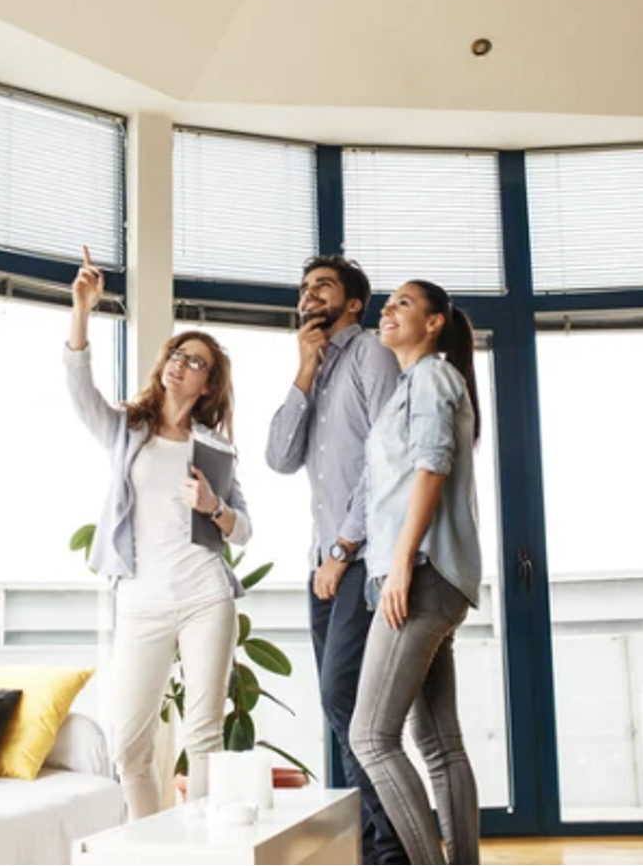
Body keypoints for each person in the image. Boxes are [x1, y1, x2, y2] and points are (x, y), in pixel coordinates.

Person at [65, 246, 252, 820]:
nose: (180, 362)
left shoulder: (215, 447)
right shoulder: (128, 428)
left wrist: (213, 504)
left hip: (204, 597)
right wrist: (82, 311)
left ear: (208, 383)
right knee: (129, 744)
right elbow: (79, 391)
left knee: (203, 736)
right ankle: (153, 848)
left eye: (195, 361)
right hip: (141, 601)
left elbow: (242, 529)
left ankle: (202, 854)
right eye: (177, 352)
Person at [265, 256, 406, 864]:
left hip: (362, 559)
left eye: (321, 286)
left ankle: (395, 850)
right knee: (343, 708)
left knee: (347, 700)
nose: (307, 295)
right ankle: (381, 846)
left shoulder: (371, 354)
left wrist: (343, 549)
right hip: (323, 566)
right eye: (303, 288)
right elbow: (278, 457)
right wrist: (302, 370)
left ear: (353, 303)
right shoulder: (317, 369)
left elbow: (387, 462)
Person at [350, 279, 484, 866]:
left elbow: (432, 466)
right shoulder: (417, 383)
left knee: (371, 737)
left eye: (402, 303)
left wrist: (401, 563)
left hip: (421, 573)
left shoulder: (431, 375)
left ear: (434, 323)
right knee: (437, 741)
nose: (388, 310)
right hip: (435, 576)